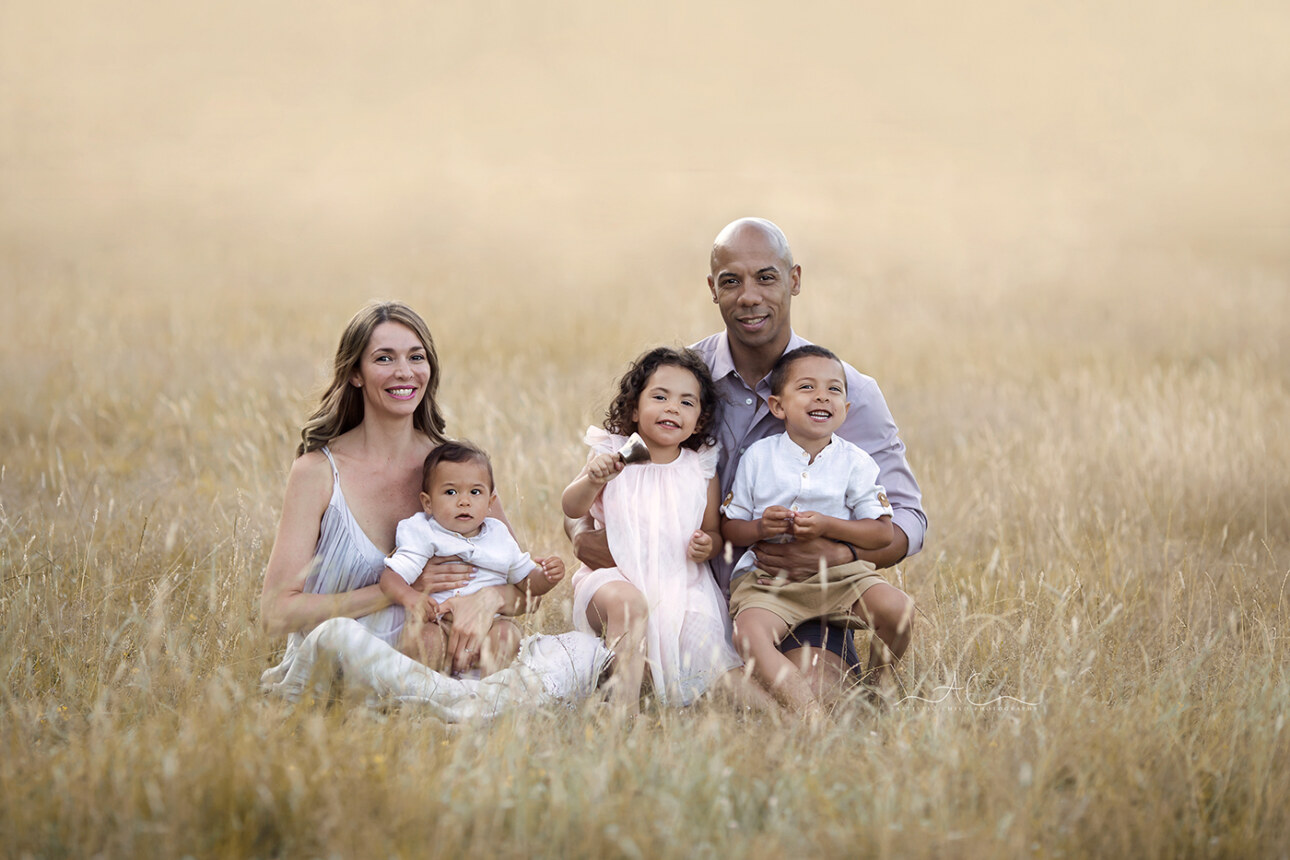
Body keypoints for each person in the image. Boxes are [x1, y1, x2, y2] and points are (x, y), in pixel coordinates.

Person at [569, 217, 925, 696]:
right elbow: (601, 479)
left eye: (766, 277)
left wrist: (841, 551)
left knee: (813, 696)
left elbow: (908, 520)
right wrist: (581, 537)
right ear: (712, 289)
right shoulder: (680, 384)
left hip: (786, 591)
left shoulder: (846, 392)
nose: (749, 296)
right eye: (731, 281)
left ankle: (857, 683)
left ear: (794, 280)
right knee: (662, 691)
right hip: (678, 593)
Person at [260, 301, 531, 687]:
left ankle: (456, 700)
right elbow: (275, 613)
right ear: (355, 373)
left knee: (574, 657)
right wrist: (400, 592)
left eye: (416, 357)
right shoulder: (317, 473)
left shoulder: (455, 471)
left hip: (448, 661)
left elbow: (523, 588)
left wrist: (490, 600)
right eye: (384, 358)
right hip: (347, 666)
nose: (404, 372)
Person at [561, 347, 771, 714]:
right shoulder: (612, 454)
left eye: (686, 402)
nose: (673, 407)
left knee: (714, 657)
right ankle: (620, 717)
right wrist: (592, 480)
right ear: (634, 408)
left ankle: (785, 722)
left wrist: (708, 545)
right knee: (630, 606)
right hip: (614, 579)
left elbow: (714, 531)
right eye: (660, 397)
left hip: (681, 587)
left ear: (700, 421)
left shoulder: (700, 468)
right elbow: (571, 508)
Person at [722, 344, 908, 714]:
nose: (822, 395)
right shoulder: (759, 458)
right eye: (806, 387)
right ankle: (805, 708)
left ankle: (881, 684)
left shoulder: (856, 462)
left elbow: (883, 533)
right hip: (770, 582)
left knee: (898, 608)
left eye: (834, 390)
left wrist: (829, 525)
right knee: (749, 633)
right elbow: (731, 528)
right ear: (778, 406)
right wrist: (759, 527)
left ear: (846, 410)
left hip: (839, 577)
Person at [380, 440, 565, 678]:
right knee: (423, 639)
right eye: (450, 492)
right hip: (438, 625)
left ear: (490, 503)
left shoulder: (498, 536)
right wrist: (411, 597)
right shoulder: (425, 533)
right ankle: (424, 696)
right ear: (428, 502)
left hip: (489, 626)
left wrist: (546, 577)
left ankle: (488, 696)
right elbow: (390, 577)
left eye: (475, 492)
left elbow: (527, 586)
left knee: (507, 636)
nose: (464, 501)